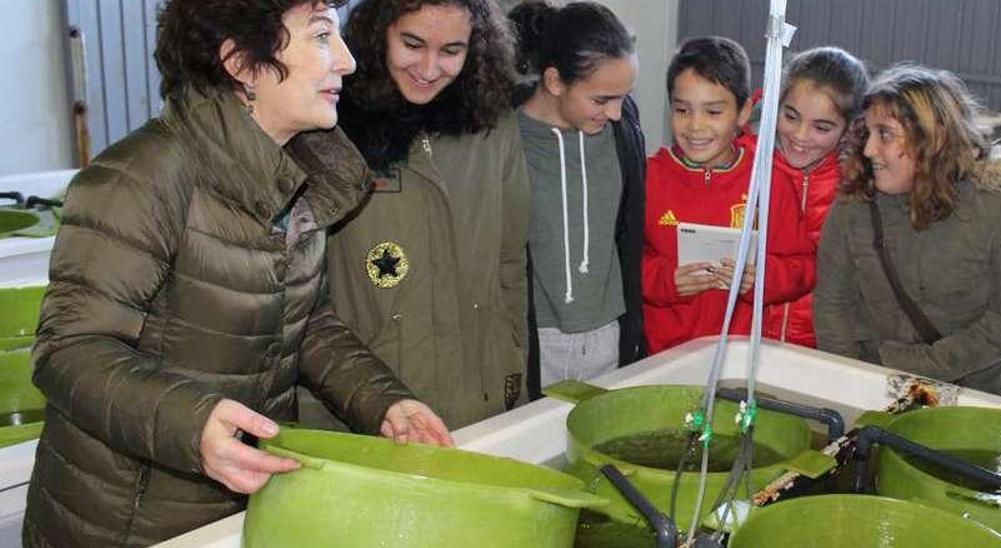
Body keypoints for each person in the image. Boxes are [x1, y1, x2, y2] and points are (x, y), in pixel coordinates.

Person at [24, 1, 452, 545]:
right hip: (123, 521)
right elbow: (69, 348)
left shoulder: (297, 169)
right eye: (322, 37)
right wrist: (192, 421)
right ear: (242, 62)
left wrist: (387, 402)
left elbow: (304, 323)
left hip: (238, 501)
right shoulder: (139, 177)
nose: (346, 61)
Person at [314, 0, 530, 430]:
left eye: (451, 50)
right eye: (412, 44)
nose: (430, 68)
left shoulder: (493, 123)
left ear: (476, 48)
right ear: (379, 34)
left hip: (482, 391)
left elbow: (510, 262)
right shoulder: (329, 124)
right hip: (370, 401)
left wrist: (512, 356)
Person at [813, 64, 1001, 397]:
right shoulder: (854, 203)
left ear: (933, 139)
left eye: (886, 134)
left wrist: (924, 363)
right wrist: (849, 385)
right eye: (868, 132)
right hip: (874, 387)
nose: (868, 150)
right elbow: (832, 305)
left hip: (973, 396)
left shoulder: (996, 205)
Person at [642, 37, 814, 354]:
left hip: (740, 356)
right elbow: (622, 263)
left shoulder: (769, 180)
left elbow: (803, 267)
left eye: (713, 112)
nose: (695, 126)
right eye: (682, 109)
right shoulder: (647, 176)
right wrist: (664, 280)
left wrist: (761, 278)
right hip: (662, 355)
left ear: (743, 112)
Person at [508, 1, 645, 393]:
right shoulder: (502, 139)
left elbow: (629, 235)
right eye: (602, 100)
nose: (617, 112)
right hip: (534, 343)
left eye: (623, 97)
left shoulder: (623, 130)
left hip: (611, 336)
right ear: (554, 82)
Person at [758, 47, 869, 348]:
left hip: (825, 351)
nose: (801, 136)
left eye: (821, 127)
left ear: (849, 128)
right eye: (790, 116)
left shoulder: (859, 189)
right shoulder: (749, 171)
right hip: (747, 343)